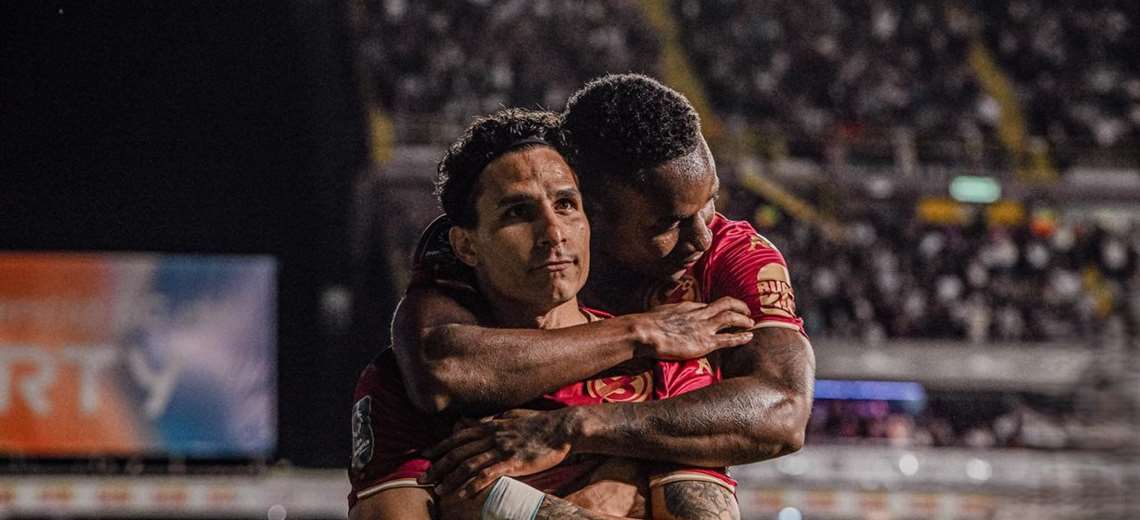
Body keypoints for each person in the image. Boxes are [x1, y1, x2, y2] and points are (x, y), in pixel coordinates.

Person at [400, 74, 816, 519]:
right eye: (666, 223)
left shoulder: (734, 254)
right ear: (588, 208)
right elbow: (442, 369)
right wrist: (641, 332)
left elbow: (784, 413)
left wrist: (576, 426)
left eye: (709, 202)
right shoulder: (494, 240)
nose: (703, 236)